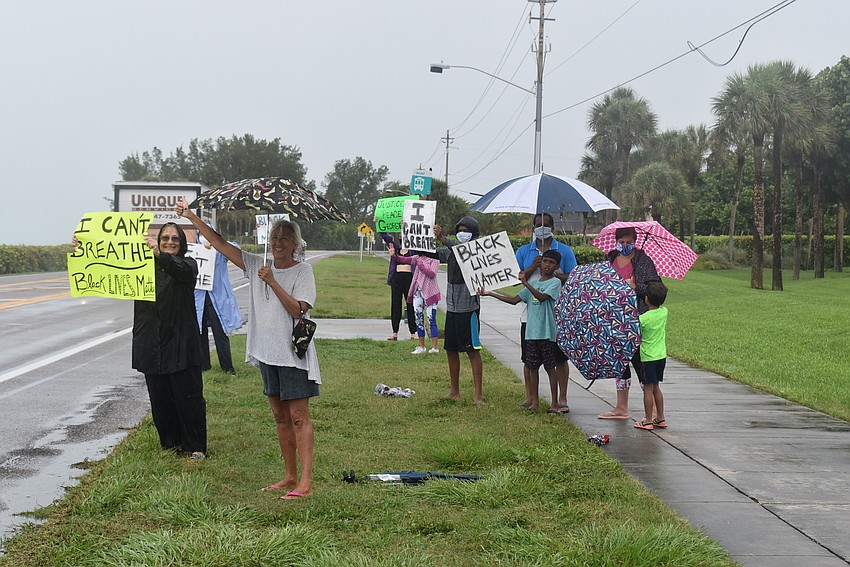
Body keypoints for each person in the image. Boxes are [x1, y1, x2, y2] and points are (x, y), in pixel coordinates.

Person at [176, 198, 320, 500]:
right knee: (280, 417)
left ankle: (305, 482)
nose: (279, 242)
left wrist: (272, 281)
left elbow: (298, 310)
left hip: (293, 354)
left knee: (298, 416)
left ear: (295, 243)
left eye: (285, 237)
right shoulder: (257, 263)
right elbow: (217, 242)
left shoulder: (302, 271)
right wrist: (191, 216)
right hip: (267, 352)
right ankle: (289, 476)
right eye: (275, 237)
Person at [86, 222, 207, 460]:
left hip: (181, 341)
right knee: (160, 397)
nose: (170, 241)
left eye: (175, 239)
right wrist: (85, 248)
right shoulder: (140, 266)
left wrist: (160, 255)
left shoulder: (188, 265)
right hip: (151, 341)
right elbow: (108, 267)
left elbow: (181, 269)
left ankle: (195, 447)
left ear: (182, 244)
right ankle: (170, 444)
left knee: (188, 396)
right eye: (165, 238)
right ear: (159, 239)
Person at [480, 250, 566, 412]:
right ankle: (535, 401)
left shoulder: (555, 283)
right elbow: (514, 300)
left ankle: (555, 403)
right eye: (545, 261)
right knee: (532, 367)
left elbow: (542, 298)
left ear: (557, 266)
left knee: (549, 367)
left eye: (551, 262)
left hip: (547, 333)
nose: (547, 265)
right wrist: (490, 293)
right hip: (531, 332)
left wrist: (525, 283)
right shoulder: (533, 284)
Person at [598, 225, 661, 420]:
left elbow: (656, 288)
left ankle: (652, 414)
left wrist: (635, 287)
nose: (625, 246)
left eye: (629, 242)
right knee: (620, 362)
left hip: (637, 318)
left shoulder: (643, 261)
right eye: (621, 242)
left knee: (640, 362)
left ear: (635, 241)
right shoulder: (609, 259)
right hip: (614, 318)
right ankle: (621, 407)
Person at [514, 212, 576, 411]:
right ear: (533, 228)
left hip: (557, 315)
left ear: (553, 228)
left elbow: (574, 277)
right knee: (529, 358)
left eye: (546, 224)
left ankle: (562, 398)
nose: (542, 227)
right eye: (538, 225)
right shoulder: (524, 251)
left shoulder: (564, 251)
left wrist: (553, 272)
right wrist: (534, 266)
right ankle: (531, 397)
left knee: (559, 358)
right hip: (530, 315)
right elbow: (519, 277)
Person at [432, 216, 484, 404]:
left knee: (473, 350)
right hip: (452, 309)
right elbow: (431, 253)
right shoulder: (450, 252)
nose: (462, 233)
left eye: (466, 230)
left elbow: (462, 250)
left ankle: (478, 394)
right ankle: (454, 390)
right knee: (451, 349)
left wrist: (444, 238)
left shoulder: (477, 251)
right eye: (460, 229)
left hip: (469, 309)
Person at [194, 233, 241, 375]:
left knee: (219, 333)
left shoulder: (219, 251)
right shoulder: (194, 250)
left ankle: (228, 368)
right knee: (199, 333)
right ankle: (204, 366)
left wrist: (216, 243)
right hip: (199, 299)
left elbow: (236, 250)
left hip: (217, 299)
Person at [390, 245, 441, 354]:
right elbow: (405, 259)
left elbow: (431, 273)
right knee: (419, 318)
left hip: (430, 293)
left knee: (431, 318)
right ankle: (421, 346)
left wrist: (421, 265)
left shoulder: (434, 260)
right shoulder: (417, 258)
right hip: (418, 292)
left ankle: (434, 347)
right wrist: (395, 256)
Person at [634, 282, 669, 431]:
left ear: (646, 299)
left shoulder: (643, 319)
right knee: (656, 387)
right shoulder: (664, 312)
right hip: (661, 355)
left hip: (647, 357)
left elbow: (636, 334)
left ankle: (648, 420)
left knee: (647, 389)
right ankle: (660, 418)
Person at [380, 232, 417, 341]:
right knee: (396, 304)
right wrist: (379, 223)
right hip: (397, 279)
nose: (402, 236)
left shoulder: (413, 249)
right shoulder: (395, 248)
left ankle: (413, 332)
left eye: (404, 234)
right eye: (400, 235)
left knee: (411, 305)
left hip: (409, 279)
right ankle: (394, 332)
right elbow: (386, 237)